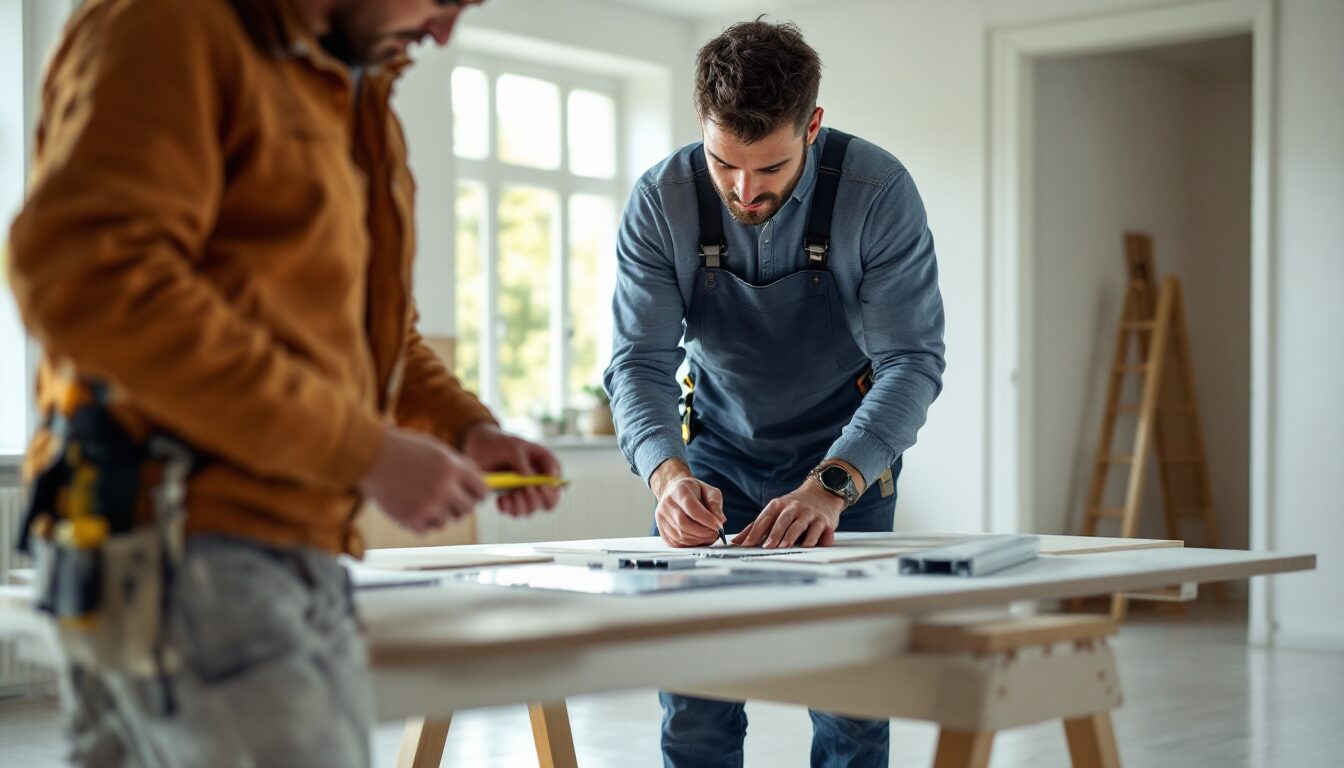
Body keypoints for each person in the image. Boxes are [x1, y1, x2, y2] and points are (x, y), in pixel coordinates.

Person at [6, 0, 561, 765]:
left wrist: (466, 427)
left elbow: (374, 330)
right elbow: (93, 281)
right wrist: (363, 450)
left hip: (283, 547)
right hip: (175, 541)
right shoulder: (170, 24)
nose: (444, 32)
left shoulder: (349, 80)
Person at [602, 19, 945, 768]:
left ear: (812, 127)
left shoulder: (877, 192)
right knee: (696, 703)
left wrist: (830, 485)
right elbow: (637, 362)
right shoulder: (662, 201)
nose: (744, 190)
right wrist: (668, 477)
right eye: (725, 164)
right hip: (715, 459)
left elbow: (912, 361)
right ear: (701, 124)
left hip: (846, 466)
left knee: (851, 703)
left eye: (770, 168)